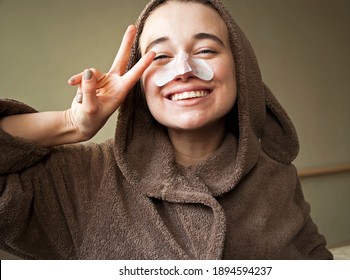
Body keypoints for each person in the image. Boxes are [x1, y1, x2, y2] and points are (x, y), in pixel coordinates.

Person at [0, 0, 333, 259]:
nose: (183, 70)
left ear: (241, 69)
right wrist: (70, 124)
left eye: (205, 50)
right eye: (159, 56)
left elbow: (315, 257)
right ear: (138, 81)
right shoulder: (83, 177)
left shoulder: (276, 177)